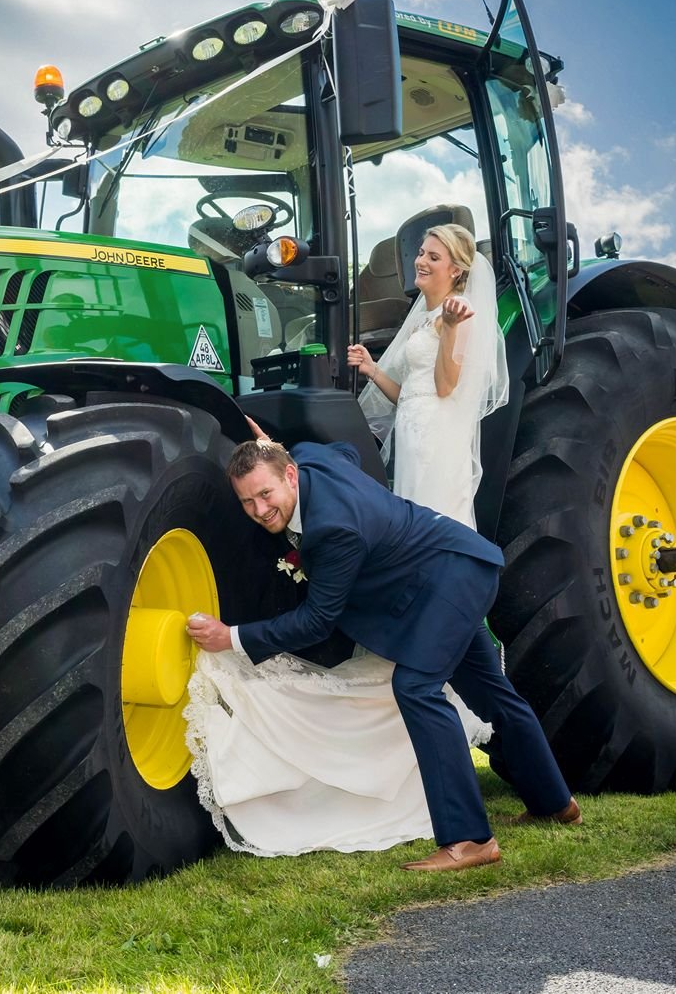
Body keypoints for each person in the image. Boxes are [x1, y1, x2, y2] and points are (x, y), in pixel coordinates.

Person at [186, 436, 580, 871]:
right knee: (492, 695)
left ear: (290, 476)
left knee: (415, 688)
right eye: (247, 501)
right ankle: (556, 804)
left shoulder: (333, 530)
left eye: (266, 494)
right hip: (456, 567)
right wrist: (264, 440)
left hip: (449, 581)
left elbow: (318, 620)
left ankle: (471, 840)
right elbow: (345, 450)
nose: (260, 510)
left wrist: (233, 637)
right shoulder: (314, 460)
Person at [347, 223, 508, 530]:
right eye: (421, 253)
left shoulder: (459, 313)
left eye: (434, 257)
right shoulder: (423, 318)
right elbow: (410, 395)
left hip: (437, 438)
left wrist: (449, 328)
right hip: (414, 432)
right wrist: (373, 369)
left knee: (436, 519)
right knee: (413, 518)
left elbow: (445, 387)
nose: (420, 261)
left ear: (456, 270)